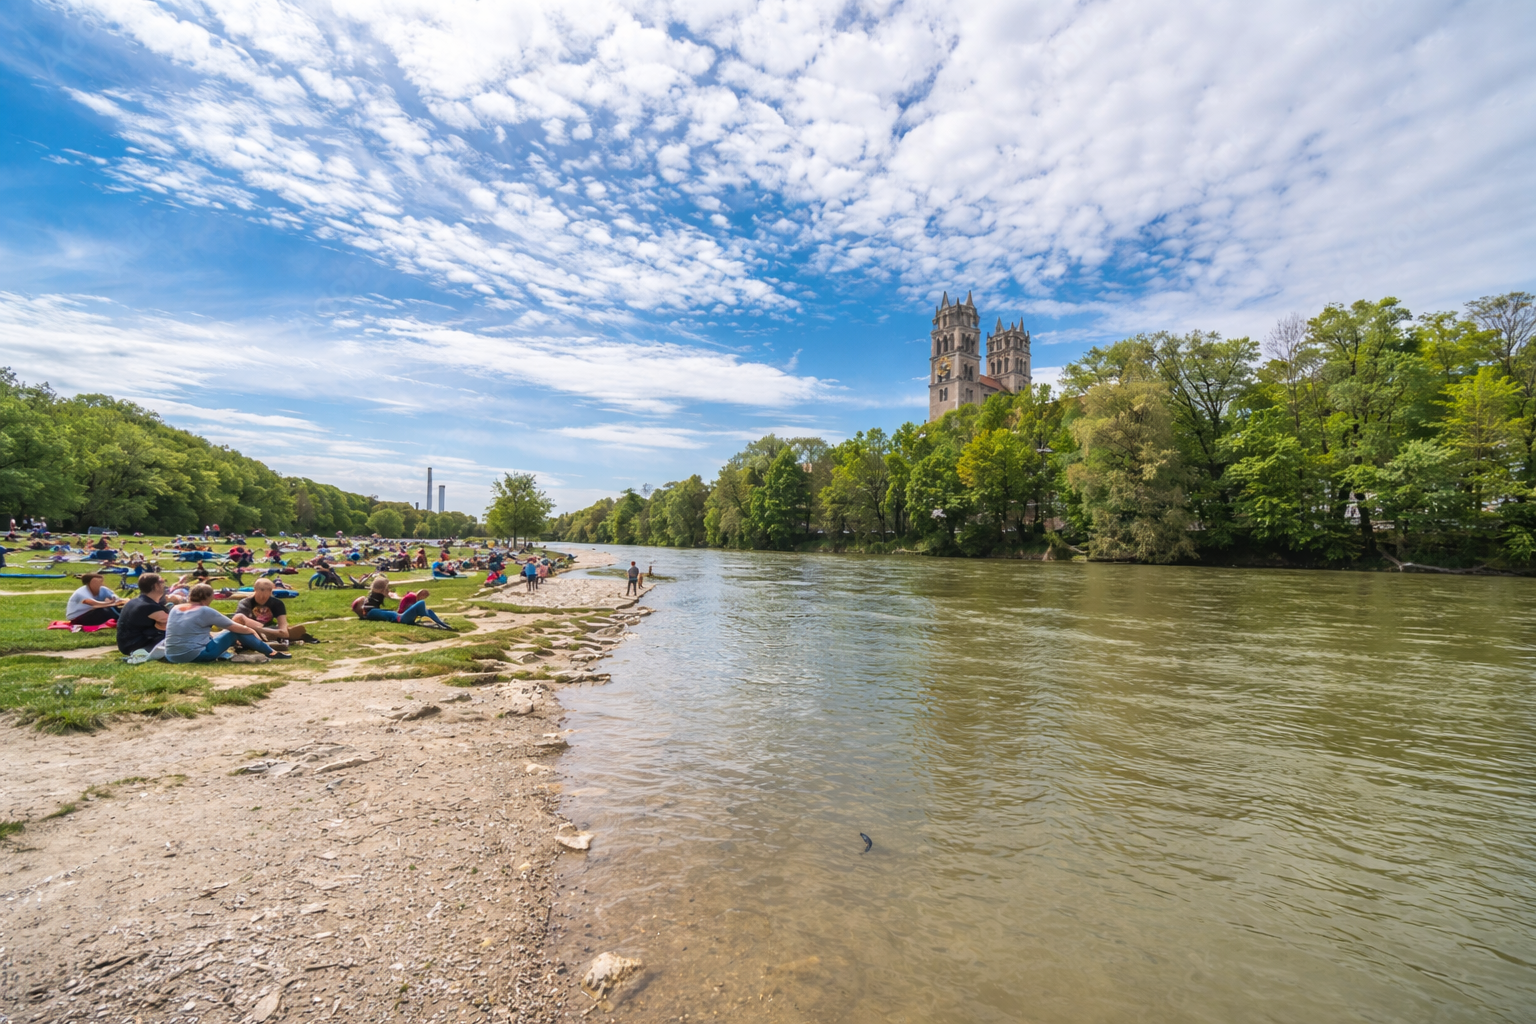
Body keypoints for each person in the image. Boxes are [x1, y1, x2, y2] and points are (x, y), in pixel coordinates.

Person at [158, 583, 284, 663]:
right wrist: (251, 630)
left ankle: (261, 648)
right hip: (193, 656)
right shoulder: (205, 611)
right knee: (233, 633)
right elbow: (235, 628)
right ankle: (270, 652)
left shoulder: (175, 608)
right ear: (208, 597)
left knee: (214, 635)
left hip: (171, 655)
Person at [354, 577, 452, 629]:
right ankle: (442, 625)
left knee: (428, 611)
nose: (388, 590)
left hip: (400, 617)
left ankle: (440, 623)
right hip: (401, 618)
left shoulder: (372, 610)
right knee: (421, 603)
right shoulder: (372, 612)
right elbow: (393, 616)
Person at [233, 577, 306, 644]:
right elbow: (238, 621)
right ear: (255, 590)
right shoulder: (246, 602)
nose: (262, 597)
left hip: (268, 629)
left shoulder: (277, 603)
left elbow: (284, 631)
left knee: (285, 632)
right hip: (248, 629)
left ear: (271, 592)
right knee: (239, 617)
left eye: (266, 594)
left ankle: (263, 639)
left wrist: (261, 630)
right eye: (260, 593)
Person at [117, 573, 170, 656]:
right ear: (156, 586)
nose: (164, 585)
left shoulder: (134, 602)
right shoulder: (148, 606)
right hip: (138, 646)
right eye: (162, 582)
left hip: (127, 644)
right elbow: (174, 623)